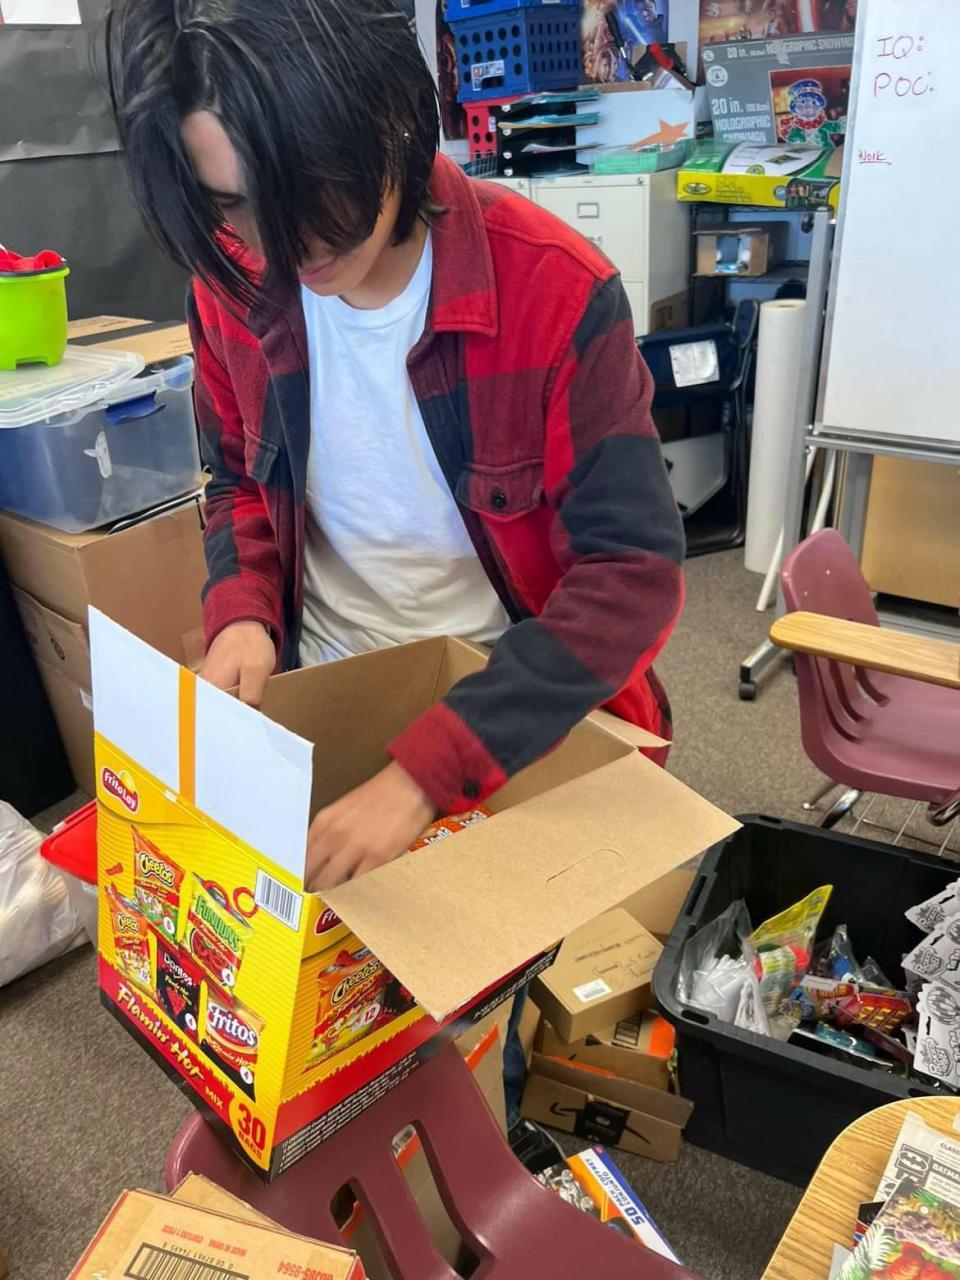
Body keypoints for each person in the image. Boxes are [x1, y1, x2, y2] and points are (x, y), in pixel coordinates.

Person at [105, 0, 684, 1130]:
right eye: (233, 203)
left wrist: (428, 770)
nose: (281, 245)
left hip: (509, 711)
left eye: (303, 190)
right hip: (332, 690)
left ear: (388, 117)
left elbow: (633, 577)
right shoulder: (233, 282)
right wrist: (242, 611)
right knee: (307, 1024)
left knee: (484, 1034)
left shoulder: (555, 288)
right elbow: (235, 477)